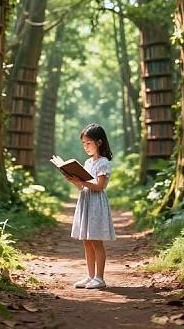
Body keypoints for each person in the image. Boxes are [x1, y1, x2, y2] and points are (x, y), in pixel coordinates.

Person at [65, 123, 116, 289]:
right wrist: (75, 181)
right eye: (83, 144)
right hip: (85, 200)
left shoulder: (103, 163)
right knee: (86, 241)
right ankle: (90, 276)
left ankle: (100, 278)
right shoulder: (87, 163)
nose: (85, 147)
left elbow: (100, 186)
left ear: (99, 142)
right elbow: (82, 187)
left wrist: (82, 181)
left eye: (88, 143)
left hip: (96, 203)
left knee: (96, 241)